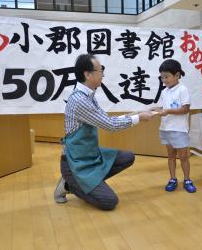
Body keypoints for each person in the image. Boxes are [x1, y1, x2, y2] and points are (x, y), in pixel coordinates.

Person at [53, 54, 154, 210]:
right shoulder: (80, 100)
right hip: (75, 163)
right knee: (109, 201)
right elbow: (110, 125)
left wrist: (137, 113)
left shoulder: (88, 95)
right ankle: (69, 184)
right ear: (88, 74)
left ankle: (87, 183)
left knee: (127, 157)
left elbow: (105, 119)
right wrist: (139, 118)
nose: (103, 74)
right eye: (100, 71)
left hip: (89, 155)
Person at [151, 59, 197, 193]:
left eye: (167, 77)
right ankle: (173, 179)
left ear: (177, 75)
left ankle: (187, 179)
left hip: (179, 130)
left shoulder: (183, 90)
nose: (164, 80)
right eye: (162, 77)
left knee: (183, 157)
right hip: (166, 128)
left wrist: (167, 111)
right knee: (170, 156)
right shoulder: (164, 91)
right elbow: (166, 107)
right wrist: (158, 108)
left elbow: (185, 109)